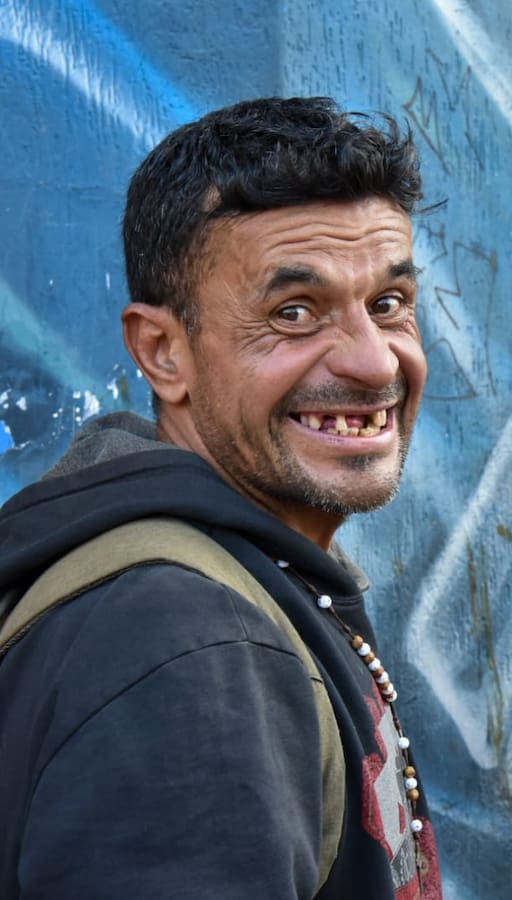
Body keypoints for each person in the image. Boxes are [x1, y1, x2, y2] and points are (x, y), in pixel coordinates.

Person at [0, 97, 442, 898]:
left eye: (388, 305)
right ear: (163, 351)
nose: (376, 362)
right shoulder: (189, 648)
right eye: (294, 313)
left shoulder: (227, 584)